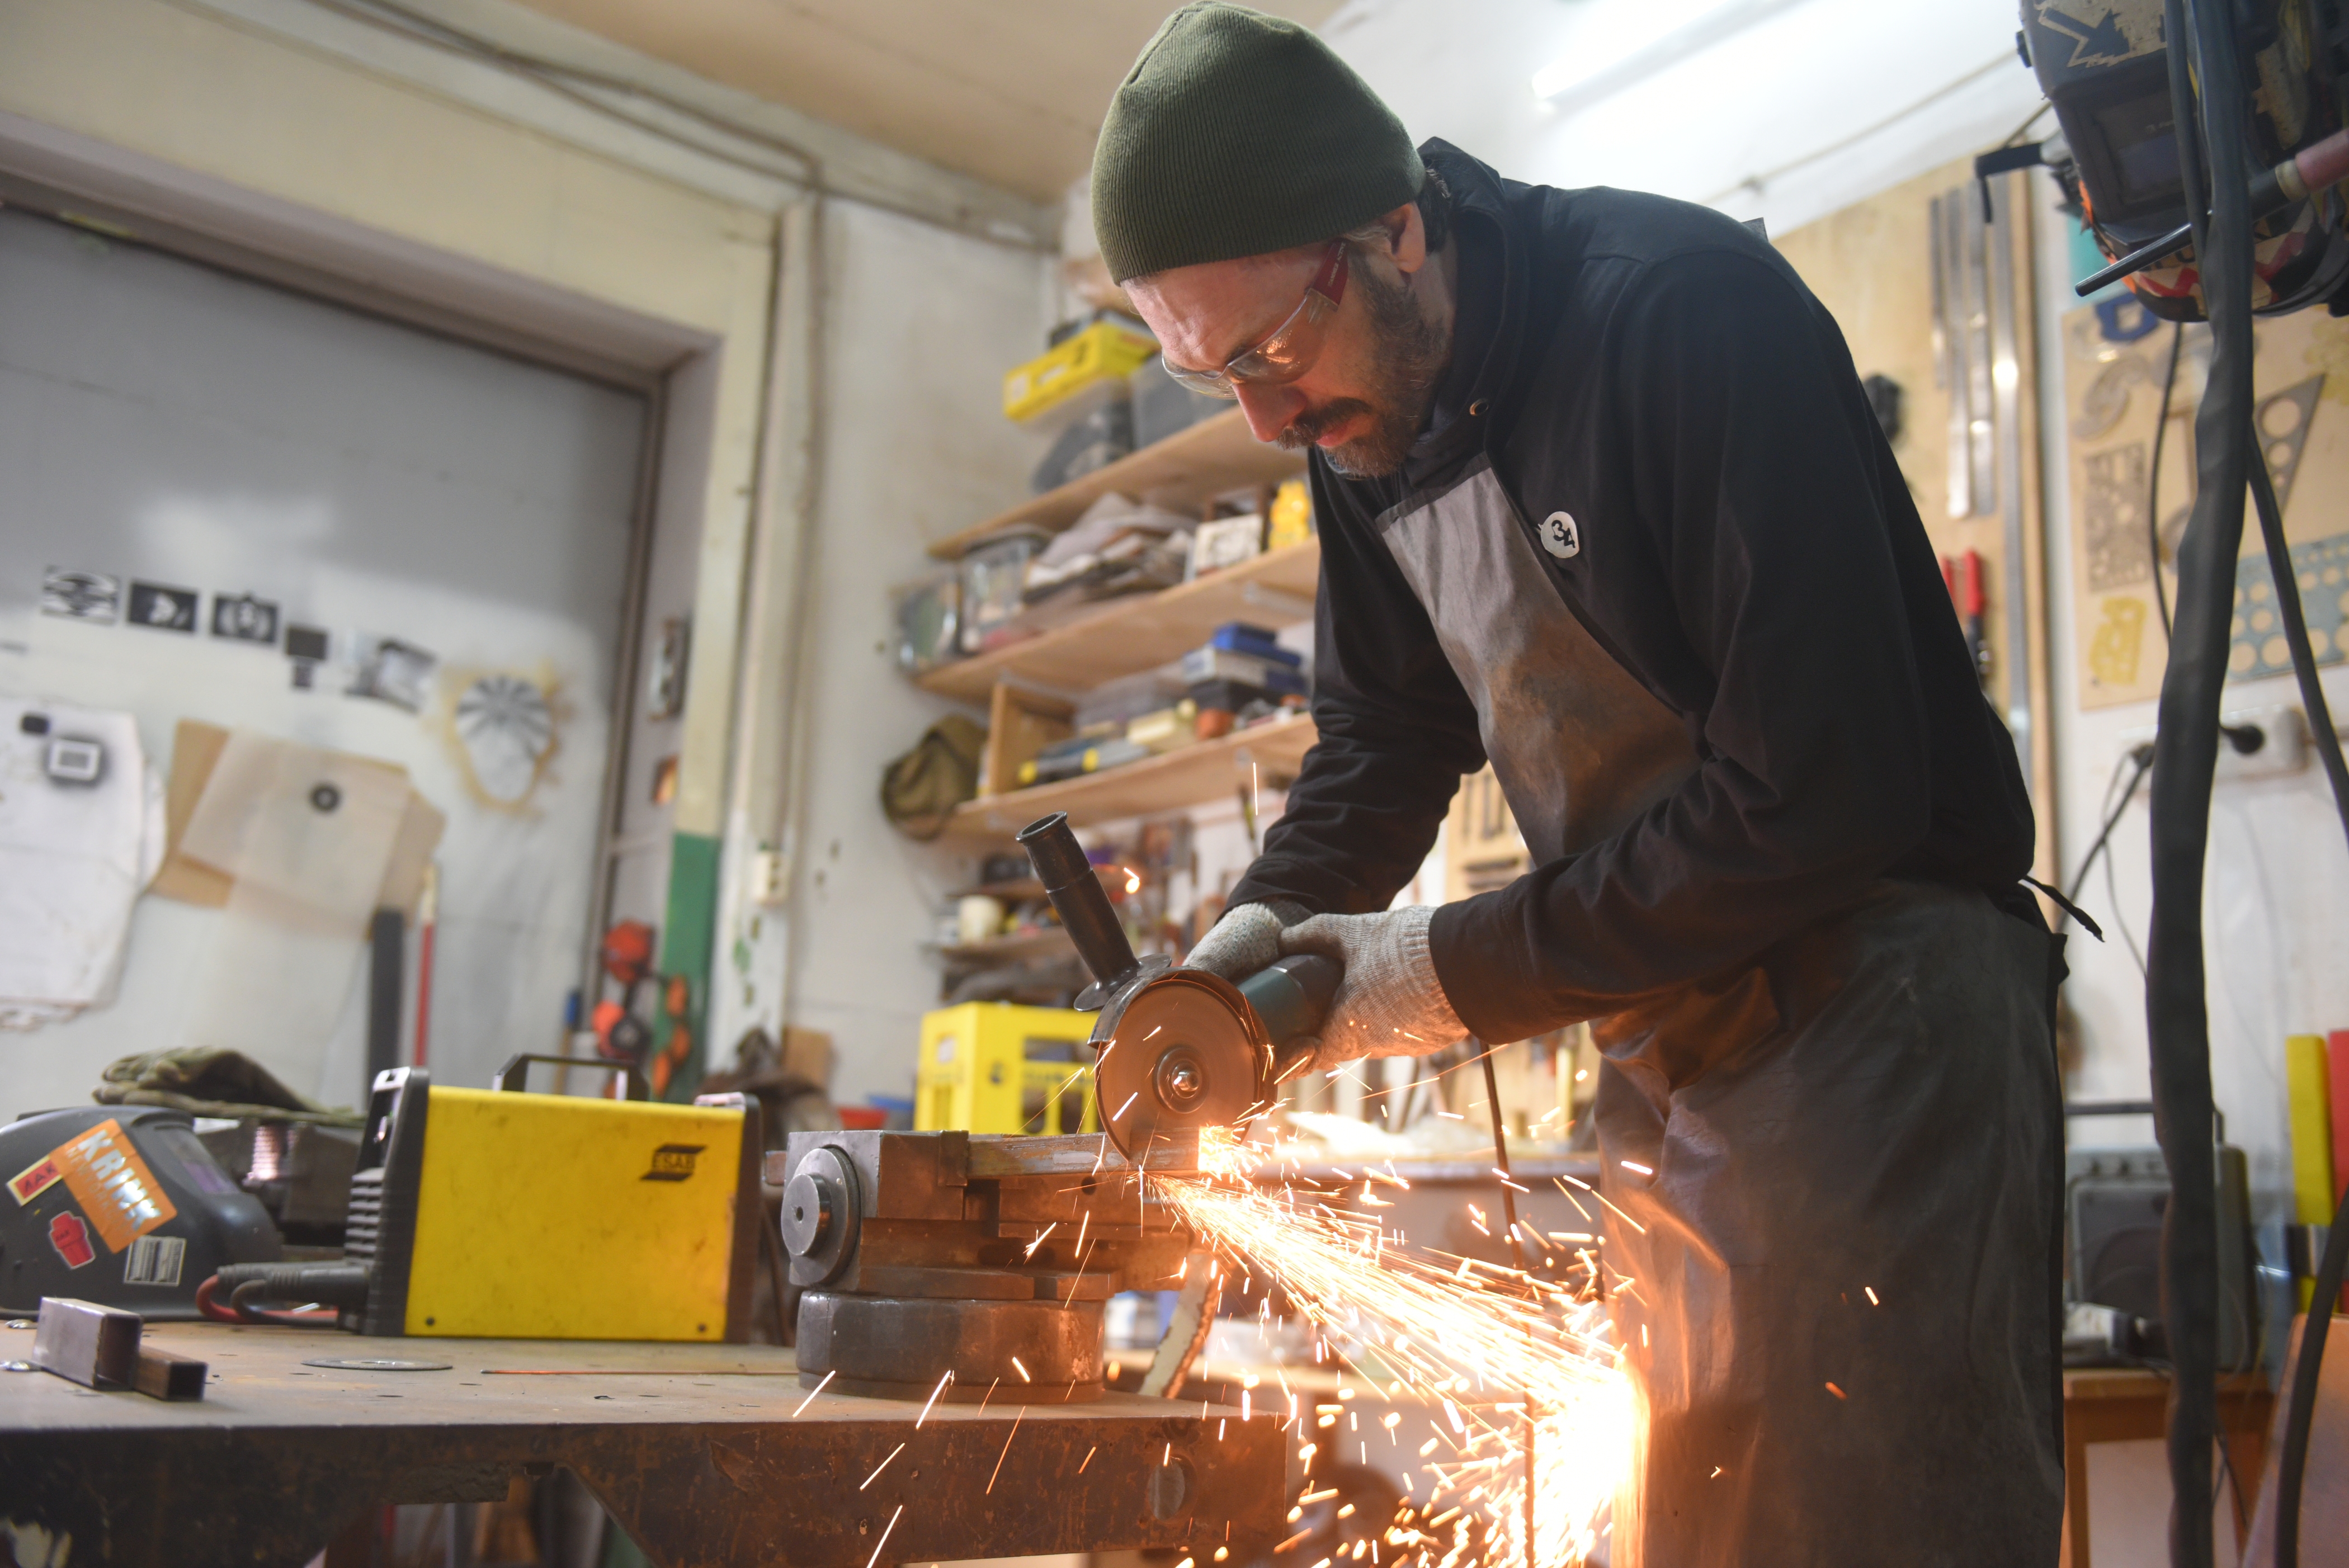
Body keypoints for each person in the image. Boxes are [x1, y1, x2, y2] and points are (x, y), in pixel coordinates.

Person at [1088, 6, 2066, 1564]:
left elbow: (1820, 795)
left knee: (1862, 1523)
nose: (1269, 418)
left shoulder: (1680, 316)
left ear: (1396, 232)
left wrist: (1430, 974)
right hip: (1668, 1029)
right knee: (1687, 1512)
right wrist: (1249, 943)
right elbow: (1381, 742)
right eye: (1217, 381)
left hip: (1874, 999)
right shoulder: (1351, 426)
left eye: (1271, 352)